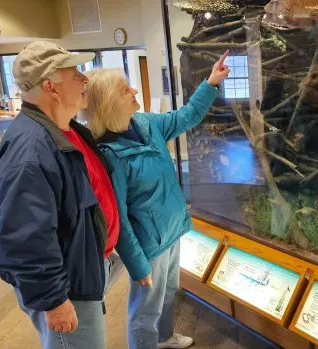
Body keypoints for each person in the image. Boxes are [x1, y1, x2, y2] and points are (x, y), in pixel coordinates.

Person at [81, 52, 230, 349]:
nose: (135, 90)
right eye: (126, 89)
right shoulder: (109, 155)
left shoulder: (147, 124)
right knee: (144, 310)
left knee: (170, 289)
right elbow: (118, 219)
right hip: (148, 245)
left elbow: (186, 115)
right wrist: (138, 265)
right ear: (110, 102)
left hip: (172, 230)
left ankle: (164, 338)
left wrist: (211, 83)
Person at [0, 41, 120, 349]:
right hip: (67, 288)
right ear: (51, 87)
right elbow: (24, 237)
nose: (85, 79)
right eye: (75, 72)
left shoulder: (66, 130)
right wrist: (53, 301)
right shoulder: (31, 152)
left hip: (83, 271)